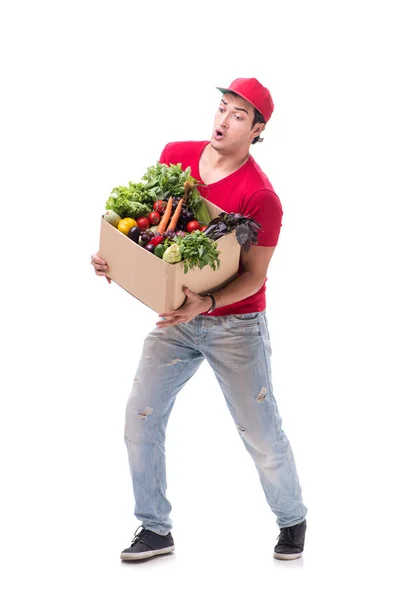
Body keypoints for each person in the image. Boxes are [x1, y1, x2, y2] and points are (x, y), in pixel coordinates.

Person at [91, 77, 308, 562]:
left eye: (238, 115)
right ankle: (154, 529)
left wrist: (206, 305)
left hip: (236, 326)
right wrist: (116, 260)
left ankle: (292, 518)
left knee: (259, 432)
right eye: (222, 107)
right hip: (177, 321)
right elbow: (150, 232)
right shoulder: (176, 156)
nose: (223, 119)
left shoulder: (261, 197)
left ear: (257, 130)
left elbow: (254, 276)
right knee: (139, 415)